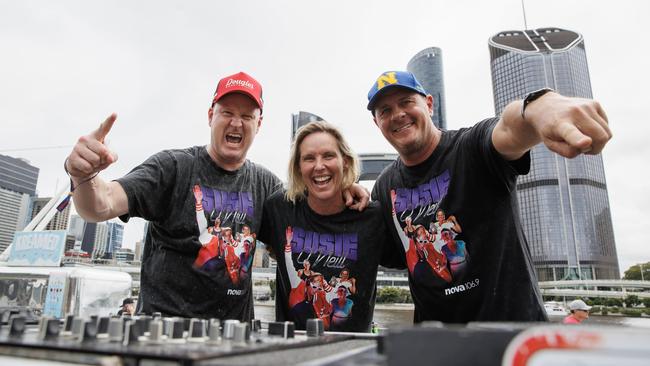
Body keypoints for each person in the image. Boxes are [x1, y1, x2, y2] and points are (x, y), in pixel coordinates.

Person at [63, 71, 369, 321]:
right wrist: (82, 173)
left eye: (247, 116)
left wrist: (345, 188)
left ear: (258, 125)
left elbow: (310, 213)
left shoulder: (265, 184)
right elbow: (100, 204)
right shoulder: (172, 167)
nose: (236, 123)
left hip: (234, 342)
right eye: (227, 113)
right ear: (211, 115)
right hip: (162, 336)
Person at [367, 70, 612, 323]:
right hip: (437, 345)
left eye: (406, 102)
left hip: (512, 338)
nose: (397, 115)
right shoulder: (385, 186)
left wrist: (539, 106)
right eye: (384, 111)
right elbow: (383, 252)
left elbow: (508, 129)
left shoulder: (471, 147)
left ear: (429, 104)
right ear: (377, 123)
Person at [258, 121, 401, 332]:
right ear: (298, 167)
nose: (319, 166)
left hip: (351, 352)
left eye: (328, 156)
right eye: (309, 158)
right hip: (292, 351)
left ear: (345, 161)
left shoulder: (373, 218)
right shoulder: (279, 208)